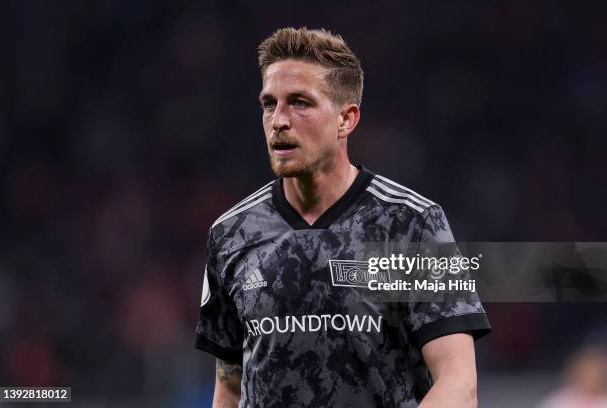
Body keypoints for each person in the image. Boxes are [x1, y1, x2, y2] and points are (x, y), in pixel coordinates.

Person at [195, 27, 490, 408]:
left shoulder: (413, 223)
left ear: (346, 119)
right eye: (270, 104)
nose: (279, 120)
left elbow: (459, 384)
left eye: (299, 102)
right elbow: (230, 388)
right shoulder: (230, 234)